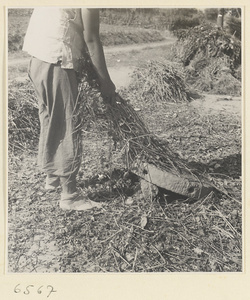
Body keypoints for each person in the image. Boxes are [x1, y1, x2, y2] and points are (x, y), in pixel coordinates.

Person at [23, 8, 116, 211]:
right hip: (56, 61)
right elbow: (91, 39)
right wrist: (105, 81)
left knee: (49, 118)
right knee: (66, 123)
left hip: (37, 59)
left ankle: (52, 178)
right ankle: (70, 196)